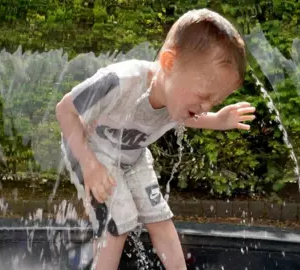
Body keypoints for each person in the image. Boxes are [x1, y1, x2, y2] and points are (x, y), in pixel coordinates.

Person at [56, 8, 256, 270]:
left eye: (214, 101)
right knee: (119, 222)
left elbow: (186, 116)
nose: (205, 106)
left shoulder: (177, 98)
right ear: (169, 63)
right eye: (203, 95)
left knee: (160, 219)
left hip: (133, 156)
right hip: (90, 149)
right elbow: (65, 110)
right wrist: (90, 165)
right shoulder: (120, 81)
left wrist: (217, 120)